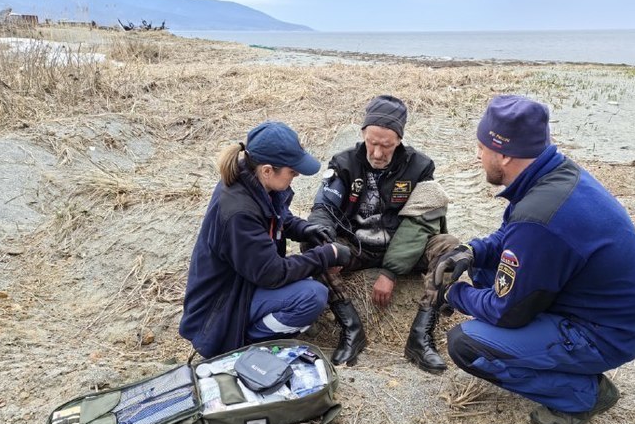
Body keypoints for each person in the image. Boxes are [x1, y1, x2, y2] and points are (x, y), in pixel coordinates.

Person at [434, 95, 635, 424]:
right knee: (481, 272)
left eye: (482, 147)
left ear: (504, 154)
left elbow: (509, 311)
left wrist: (454, 295)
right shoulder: (552, 176)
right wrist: (472, 251)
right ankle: (569, 370)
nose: (478, 155)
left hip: (602, 334)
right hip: (598, 309)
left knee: (466, 344)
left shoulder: (540, 216)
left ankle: (583, 394)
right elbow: (512, 237)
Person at [306, 95, 458, 372]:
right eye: (372, 143)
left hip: (404, 249)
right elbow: (324, 208)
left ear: (399, 139)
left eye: (386, 146)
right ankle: (351, 328)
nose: (377, 153)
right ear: (363, 134)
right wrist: (327, 241)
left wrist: (390, 272)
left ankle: (420, 336)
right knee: (311, 242)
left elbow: (421, 223)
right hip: (357, 247)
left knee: (449, 248)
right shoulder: (344, 163)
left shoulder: (421, 167)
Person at [179, 121, 351, 359]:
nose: (297, 175)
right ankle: (242, 342)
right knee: (312, 296)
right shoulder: (239, 211)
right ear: (268, 170)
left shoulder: (253, 181)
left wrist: (305, 229)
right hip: (220, 309)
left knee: (306, 279)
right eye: (292, 171)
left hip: (241, 285)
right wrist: (326, 255)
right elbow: (273, 274)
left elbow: (276, 215)